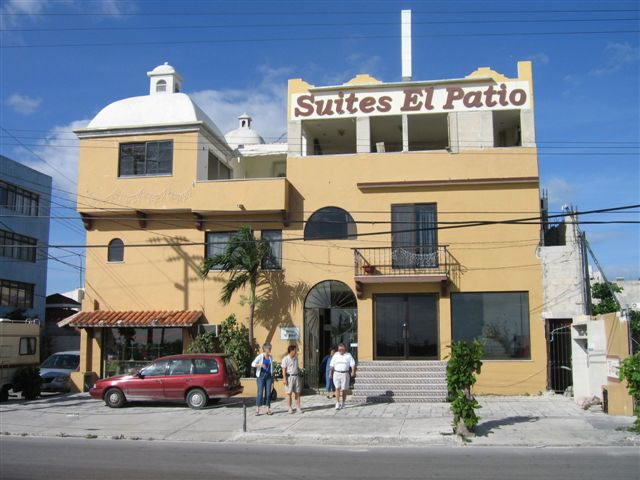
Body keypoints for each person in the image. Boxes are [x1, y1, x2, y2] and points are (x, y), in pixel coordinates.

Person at [329, 343, 356, 410]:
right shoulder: (335, 355)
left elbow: (353, 364)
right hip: (336, 373)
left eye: (342, 349)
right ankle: (337, 403)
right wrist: (330, 373)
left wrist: (353, 371)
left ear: (344, 348)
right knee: (337, 388)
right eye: (339, 349)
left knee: (344, 389)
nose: (340, 350)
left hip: (345, 374)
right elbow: (331, 365)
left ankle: (343, 403)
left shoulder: (348, 355)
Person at [251, 343, 274, 416]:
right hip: (261, 377)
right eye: (269, 348)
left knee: (268, 393)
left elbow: (271, 367)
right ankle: (257, 409)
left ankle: (268, 409)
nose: (270, 349)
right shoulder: (260, 356)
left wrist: (273, 376)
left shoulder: (270, 357)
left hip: (269, 377)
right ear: (265, 349)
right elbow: (252, 364)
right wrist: (260, 365)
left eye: (270, 348)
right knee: (260, 393)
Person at [281, 345, 302, 414]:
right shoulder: (285, 359)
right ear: (291, 351)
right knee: (289, 393)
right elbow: (283, 370)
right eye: (295, 350)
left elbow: (297, 367)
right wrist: (284, 379)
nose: (296, 351)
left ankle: (298, 407)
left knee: (298, 393)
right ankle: (290, 408)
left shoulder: (296, 358)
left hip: (296, 377)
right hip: (289, 377)